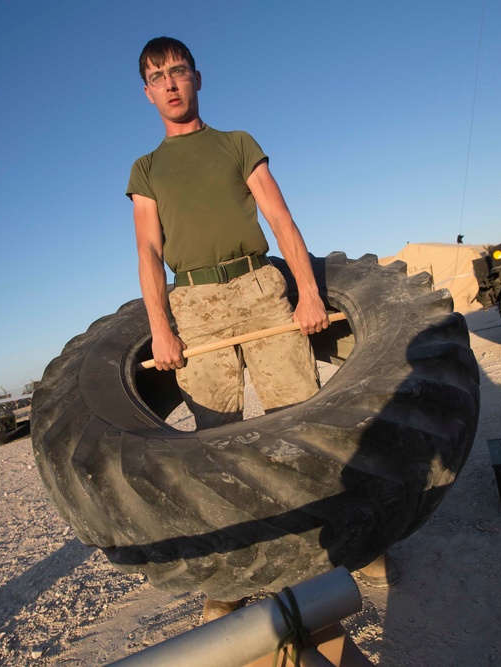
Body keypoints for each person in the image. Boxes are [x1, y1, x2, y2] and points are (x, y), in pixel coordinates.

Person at [126, 36, 393, 622]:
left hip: (258, 288)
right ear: (146, 94)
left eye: (178, 71)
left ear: (198, 77)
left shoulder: (237, 143)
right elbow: (148, 250)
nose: (169, 83)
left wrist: (308, 292)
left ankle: (350, 544)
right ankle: (231, 574)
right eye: (156, 77)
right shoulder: (145, 169)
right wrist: (162, 327)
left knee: (303, 424)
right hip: (193, 305)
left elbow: (279, 216)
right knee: (215, 444)